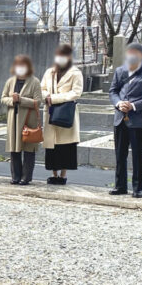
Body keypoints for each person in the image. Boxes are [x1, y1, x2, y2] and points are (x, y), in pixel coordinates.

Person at [108, 43, 142, 198]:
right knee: (120, 154)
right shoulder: (120, 70)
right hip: (120, 118)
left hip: (138, 119)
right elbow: (113, 90)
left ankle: (138, 188)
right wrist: (118, 103)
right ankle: (120, 185)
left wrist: (133, 105)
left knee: (138, 155)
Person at [40, 44, 84, 185]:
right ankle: (54, 173)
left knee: (66, 146)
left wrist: (54, 98)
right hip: (51, 111)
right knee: (52, 145)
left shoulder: (75, 73)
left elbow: (76, 93)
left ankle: (63, 175)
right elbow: (41, 88)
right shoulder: (50, 72)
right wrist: (46, 96)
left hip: (65, 111)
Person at [0, 54, 42, 185]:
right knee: (14, 148)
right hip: (13, 119)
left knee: (29, 148)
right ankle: (15, 176)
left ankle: (26, 177)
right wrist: (12, 100)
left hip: (28, 120)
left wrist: (21, 100)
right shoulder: (10, 81)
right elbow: (3, 98)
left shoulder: (34, 81)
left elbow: (38, 101)